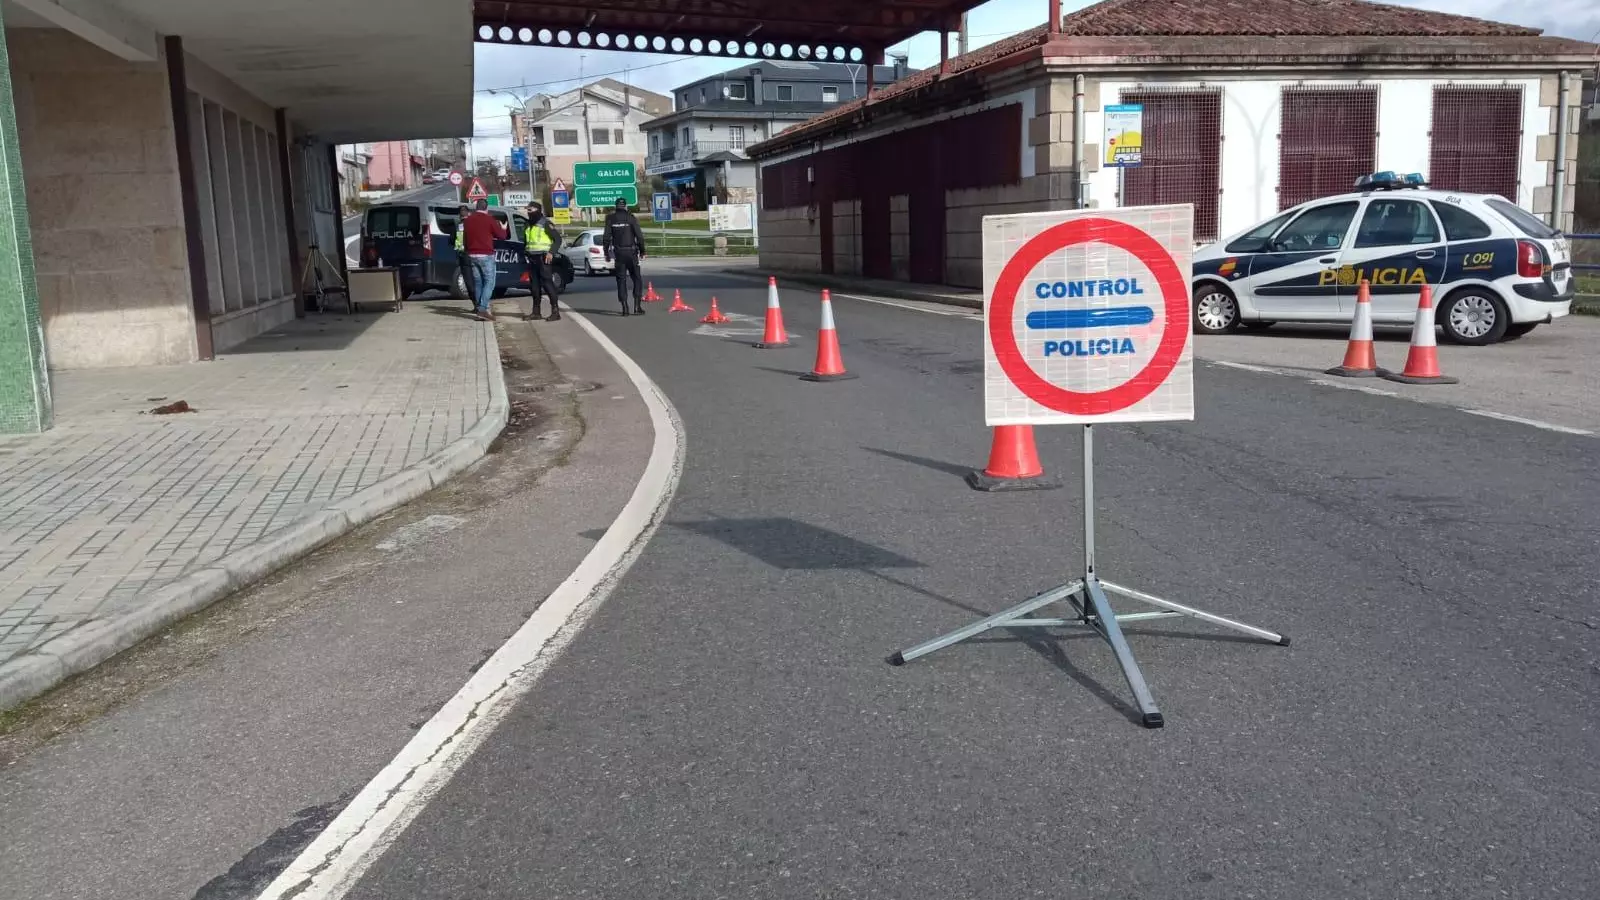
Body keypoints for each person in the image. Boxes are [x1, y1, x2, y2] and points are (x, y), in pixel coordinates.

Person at [461, 199, 506, 321]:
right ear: (486, 208)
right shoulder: (489, 219)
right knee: (489, 282)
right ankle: (482, 309)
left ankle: (479, 308)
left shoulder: (468, 220)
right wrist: (503, 228)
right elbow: (501, 236)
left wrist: (467, 250)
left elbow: (465, 238)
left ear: (476, 207)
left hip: (472, 255)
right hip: (486, 255)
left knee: (478, 283)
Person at [602, 197, 647, 316]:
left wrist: (606, 253)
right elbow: (639, 236)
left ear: (616, 207)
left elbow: (606, 238)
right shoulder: (631, 218)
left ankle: (625, 307)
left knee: (621, 280)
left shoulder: (610, 219)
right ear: (625, 206)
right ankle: (637, 306)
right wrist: (642, 251)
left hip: (619, 253)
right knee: (637, 278)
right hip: (631, 252)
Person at [522, 202, 563, 322]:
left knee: (547, 284)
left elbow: (557, 239)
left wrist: (551, 252)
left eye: (530, 210)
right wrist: (525, 253)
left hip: (544, 258)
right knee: (534, 286)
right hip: (532, 258)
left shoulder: (545, 223)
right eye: (527, 210)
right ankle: (536, 312)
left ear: (538, 210)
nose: (528, 212)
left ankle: (555, 312)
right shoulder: (528, 225)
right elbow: (526, 242)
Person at [453, 203, 473, 303]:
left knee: (468, 279)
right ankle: (480, 303)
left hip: (464, 254)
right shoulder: (472, 223)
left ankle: (476, 302)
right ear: (468, 213)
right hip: (473, 253)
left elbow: (455, 240)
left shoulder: (459, 225)